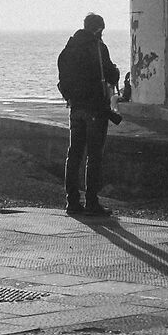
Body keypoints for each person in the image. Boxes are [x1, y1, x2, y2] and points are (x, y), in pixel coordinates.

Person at [57, 13, 123, 217]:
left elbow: (63, 79)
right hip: (95, 108)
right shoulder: (97, 47)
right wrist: (116, 72)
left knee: (74, 154)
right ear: (99, 29)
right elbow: (111, 74)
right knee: (94, 156)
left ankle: (72, 202)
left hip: (75, 108)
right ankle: (92, 202)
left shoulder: (68, 49)